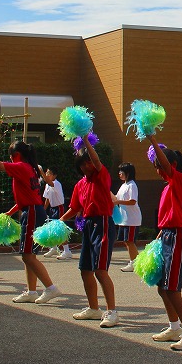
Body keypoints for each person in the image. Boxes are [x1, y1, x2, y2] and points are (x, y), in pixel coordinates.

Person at [0, 140, 61, 304]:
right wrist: (10, 212)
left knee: (27, 256)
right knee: (29, 256)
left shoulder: (21, 166)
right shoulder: (30, 168)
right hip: (34, 210)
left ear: (16, 155)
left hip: (32, 213)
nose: (9, 158)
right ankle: (31, 291)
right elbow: (27, 196)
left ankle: (51, 288)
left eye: (10, 155)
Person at [146, 139, 182, 350]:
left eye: (160, 166)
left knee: (172, 289)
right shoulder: (168, 186)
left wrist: (152, 139)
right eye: (156, 167)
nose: (158, 171)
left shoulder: (180, 179)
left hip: (178, 237)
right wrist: (159, 235)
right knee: (163, 288)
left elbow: (167, 166)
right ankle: (174, 327)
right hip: (167, 236)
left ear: (173, 165)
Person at [59, 139, 118, 327]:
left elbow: (97, 161)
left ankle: (112, 312)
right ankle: (93, 308)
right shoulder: (80, 184)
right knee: (85, 270)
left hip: (103, 223)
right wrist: (59, 221)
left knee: (100, 270)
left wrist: (85, 139)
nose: (86, 166)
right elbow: (74, 207)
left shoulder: (102, 175)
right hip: (88, 225)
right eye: (82, 163)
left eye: (88, 162)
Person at [113, 163, 141, 272]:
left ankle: (134, 263)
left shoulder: (132, 185)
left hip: (132, 219)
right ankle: (136, 262)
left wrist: (118, 202)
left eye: (122, 171)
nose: (119, 173)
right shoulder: (123, 185)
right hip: (124, 219)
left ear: (128, 173)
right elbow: (116, 198)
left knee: (129, 241)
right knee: (126, 241)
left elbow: (132, 201)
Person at [42, 167, 72, 260]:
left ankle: (67, 251)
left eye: (49, 173)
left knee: (60, 229)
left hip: (59, 208)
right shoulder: (47, 185)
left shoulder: (56, 183)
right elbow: (47, 198)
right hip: (52, 208)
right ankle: (54, 248)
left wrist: (41, 172)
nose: (47, 175)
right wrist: (44, 210)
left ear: (54, 175)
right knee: (52, 229)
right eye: (46, 173)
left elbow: (49, 182)